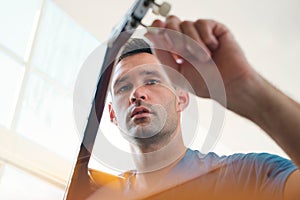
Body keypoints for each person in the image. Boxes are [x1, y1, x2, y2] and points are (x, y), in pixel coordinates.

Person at [86, 15, 300, 200]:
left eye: (152, 81)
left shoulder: (249, 175)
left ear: (181, 98)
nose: (137, 94)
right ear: (113, 114)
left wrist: (247, 88)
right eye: (123, 87)